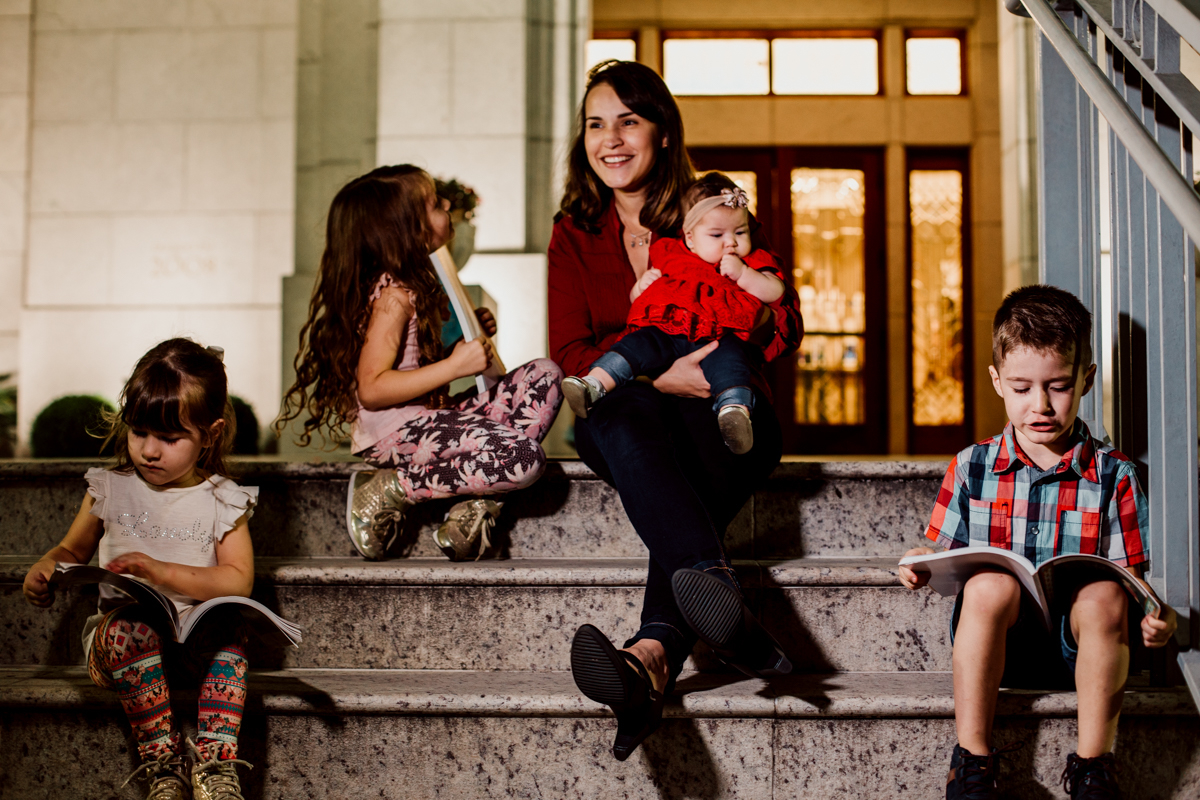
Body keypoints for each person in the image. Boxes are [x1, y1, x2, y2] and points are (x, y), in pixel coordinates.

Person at [548, 60, 804, 761]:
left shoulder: (709, 214)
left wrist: (736, 333)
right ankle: (719, 619)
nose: (611, 139)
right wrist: (665, 377)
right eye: (596, 124)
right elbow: (571, 352)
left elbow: (782, 324)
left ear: (662, 132)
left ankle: (647, 663)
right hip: (627, 411)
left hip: (729, 412)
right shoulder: (574, 232)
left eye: (629, 121)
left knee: (691, 443)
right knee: (625, 414)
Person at [898, 285, 1177, 800]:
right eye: (1022, 388)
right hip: (997, 645)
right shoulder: (970, 467)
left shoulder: (1114, 475)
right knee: (988, 586)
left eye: (1059, 386)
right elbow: (940, 557)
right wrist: (919, 563)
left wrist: (1156, 617)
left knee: (1105, 594)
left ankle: (1095, 768)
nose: (1041, 405)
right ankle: (972, 762)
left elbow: (1132, 575)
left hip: (1086, 650)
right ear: (997, 381)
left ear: (1086, 379)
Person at [278, 165, 563, 561]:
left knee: (545, 375)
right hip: (397, 432)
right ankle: (394, 488)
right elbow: (373, 388)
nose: (446, 207)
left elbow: (414, 366)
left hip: (429, 418)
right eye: (434, 204)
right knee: (523, 458)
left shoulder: (416, 285)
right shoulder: (393, 295)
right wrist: (454, 367)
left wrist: (463, 339)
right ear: (405, 229)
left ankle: (472, 505)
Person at [22, 338, 259, 800]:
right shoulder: (109, 489)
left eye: (169, 439)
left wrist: (162, 572)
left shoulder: (222, 499)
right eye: (138, 432)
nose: (149, 450)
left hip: (190, 644)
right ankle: (162, 763)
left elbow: (238, 578)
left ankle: (215, 765)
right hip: (122, 646)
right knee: (132, 629)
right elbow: (72, 548)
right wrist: (49, 568)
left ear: (209, 434)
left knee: (232, 633)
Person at [562, 171, 785, 455]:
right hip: (667, 331)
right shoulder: (672, 254)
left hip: (719, 336)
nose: (730, 242)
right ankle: (594, 384)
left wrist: (744, 274)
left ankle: (735, 412)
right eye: (717, 235)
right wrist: (640, 288)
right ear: (690, 239)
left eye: (739, 232)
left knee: (731, 363)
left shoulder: (752, 262)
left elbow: (775, 291)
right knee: (636, 345)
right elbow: (640, 302)